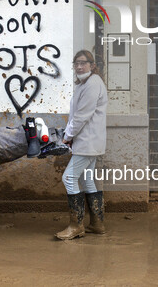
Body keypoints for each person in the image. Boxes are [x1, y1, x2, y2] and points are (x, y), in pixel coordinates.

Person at [56, 50, 108, 240]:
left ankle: (76, 225)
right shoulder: (85, 84)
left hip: (88, 142)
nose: (79, 66)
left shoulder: (93, 84)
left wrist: (67, 136)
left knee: (69, 178)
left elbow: (81, 116)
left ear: (92, 65)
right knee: (87, 180)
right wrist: (69, 134)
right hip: (88, 141)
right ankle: (97, 223)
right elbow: (76, 114)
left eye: (83, 63)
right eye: (76, 63)